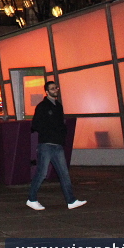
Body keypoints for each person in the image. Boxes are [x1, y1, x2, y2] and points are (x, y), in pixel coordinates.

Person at [26, 80, 87, 211]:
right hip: (47, 145)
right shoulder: (42, 106)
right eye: (52, 89)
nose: (55, 90)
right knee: (42, 173)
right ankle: (31, 199)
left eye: (56, 88)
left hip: (57, 145)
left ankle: (71, 200)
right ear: (47, 92)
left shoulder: (58, 106)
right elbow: (36, 124)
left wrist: (61, 133)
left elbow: (60, 123)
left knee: (64, 173)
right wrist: (51, 131)